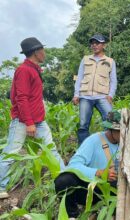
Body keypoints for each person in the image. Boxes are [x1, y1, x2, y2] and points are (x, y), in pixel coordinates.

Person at [0, 37, 65, 199]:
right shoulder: (24, 70)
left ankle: (66, 179)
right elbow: (21, 98)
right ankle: (1, 186)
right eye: (42, 50)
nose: (45, 53)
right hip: (23, 122)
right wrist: (29, 123)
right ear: (36, 52)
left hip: (39, 121)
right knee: (10, 153)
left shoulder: (34, 69)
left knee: (52, 150)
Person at [55, 110, 121, 218]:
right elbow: (73, 166)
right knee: (64, 181)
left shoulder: (129, 143)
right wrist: (98, 172)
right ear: (111, 129)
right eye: (120, 131)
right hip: (93, 189)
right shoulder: (94, 141)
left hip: (117, 190)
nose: (125, 134)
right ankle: (72, 215)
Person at [73, 33, 117, 145]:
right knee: (83, 125)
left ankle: (108, 150)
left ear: (104, 45)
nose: (94, 45)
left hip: (102, 96)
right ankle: (83, 151)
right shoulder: (85, 59)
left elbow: (113, 80)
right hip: (85, 96)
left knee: (110, 122)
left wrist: (110, 95)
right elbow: (79, 78)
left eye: (97, 43)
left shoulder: (110, 61)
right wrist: (76, 94)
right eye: (92, 43)